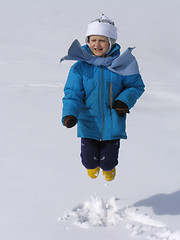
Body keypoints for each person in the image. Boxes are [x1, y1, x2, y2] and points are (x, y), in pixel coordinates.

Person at [61, 14, 145, 181]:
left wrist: (123, 100)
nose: (97, 44)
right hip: (88, 121)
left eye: (102, 40)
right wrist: (70, 114)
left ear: (110, 42)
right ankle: (92, 167)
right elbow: (73, 94)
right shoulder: (79, 68)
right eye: (93, 40)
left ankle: (108, 168)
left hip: (113, 121)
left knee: (108, 162)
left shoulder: (121, 65)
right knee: (89, 162)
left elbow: (136, 86)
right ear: (87, 41)